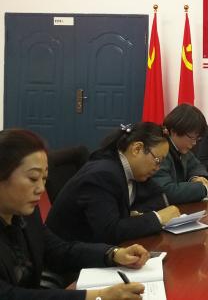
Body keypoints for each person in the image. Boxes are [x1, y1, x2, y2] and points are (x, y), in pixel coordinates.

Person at [0, 128, 149, 300]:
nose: (41, 189)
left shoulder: (25, 214)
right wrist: (98, 296)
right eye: (33, 178)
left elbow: (59, 250)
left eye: (44, 178)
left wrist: (113, 254)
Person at [46, 123, 181, 245]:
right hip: (70, 254)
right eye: (157, 161)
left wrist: (135, 214)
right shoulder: (103, 175)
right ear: (137, 149)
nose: (158, 168)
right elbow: (109, 232)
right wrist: (157, 218)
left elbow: (159, 196)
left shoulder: (131, 170)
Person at [152, 103, 208, 203]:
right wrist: (204, 190)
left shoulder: (181, 147)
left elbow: (197, 165)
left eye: (197, 138)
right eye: (192, 137)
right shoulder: (159, 150)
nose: (194, 143)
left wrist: (196, 178)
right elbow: (165, 191)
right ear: (174, 131)